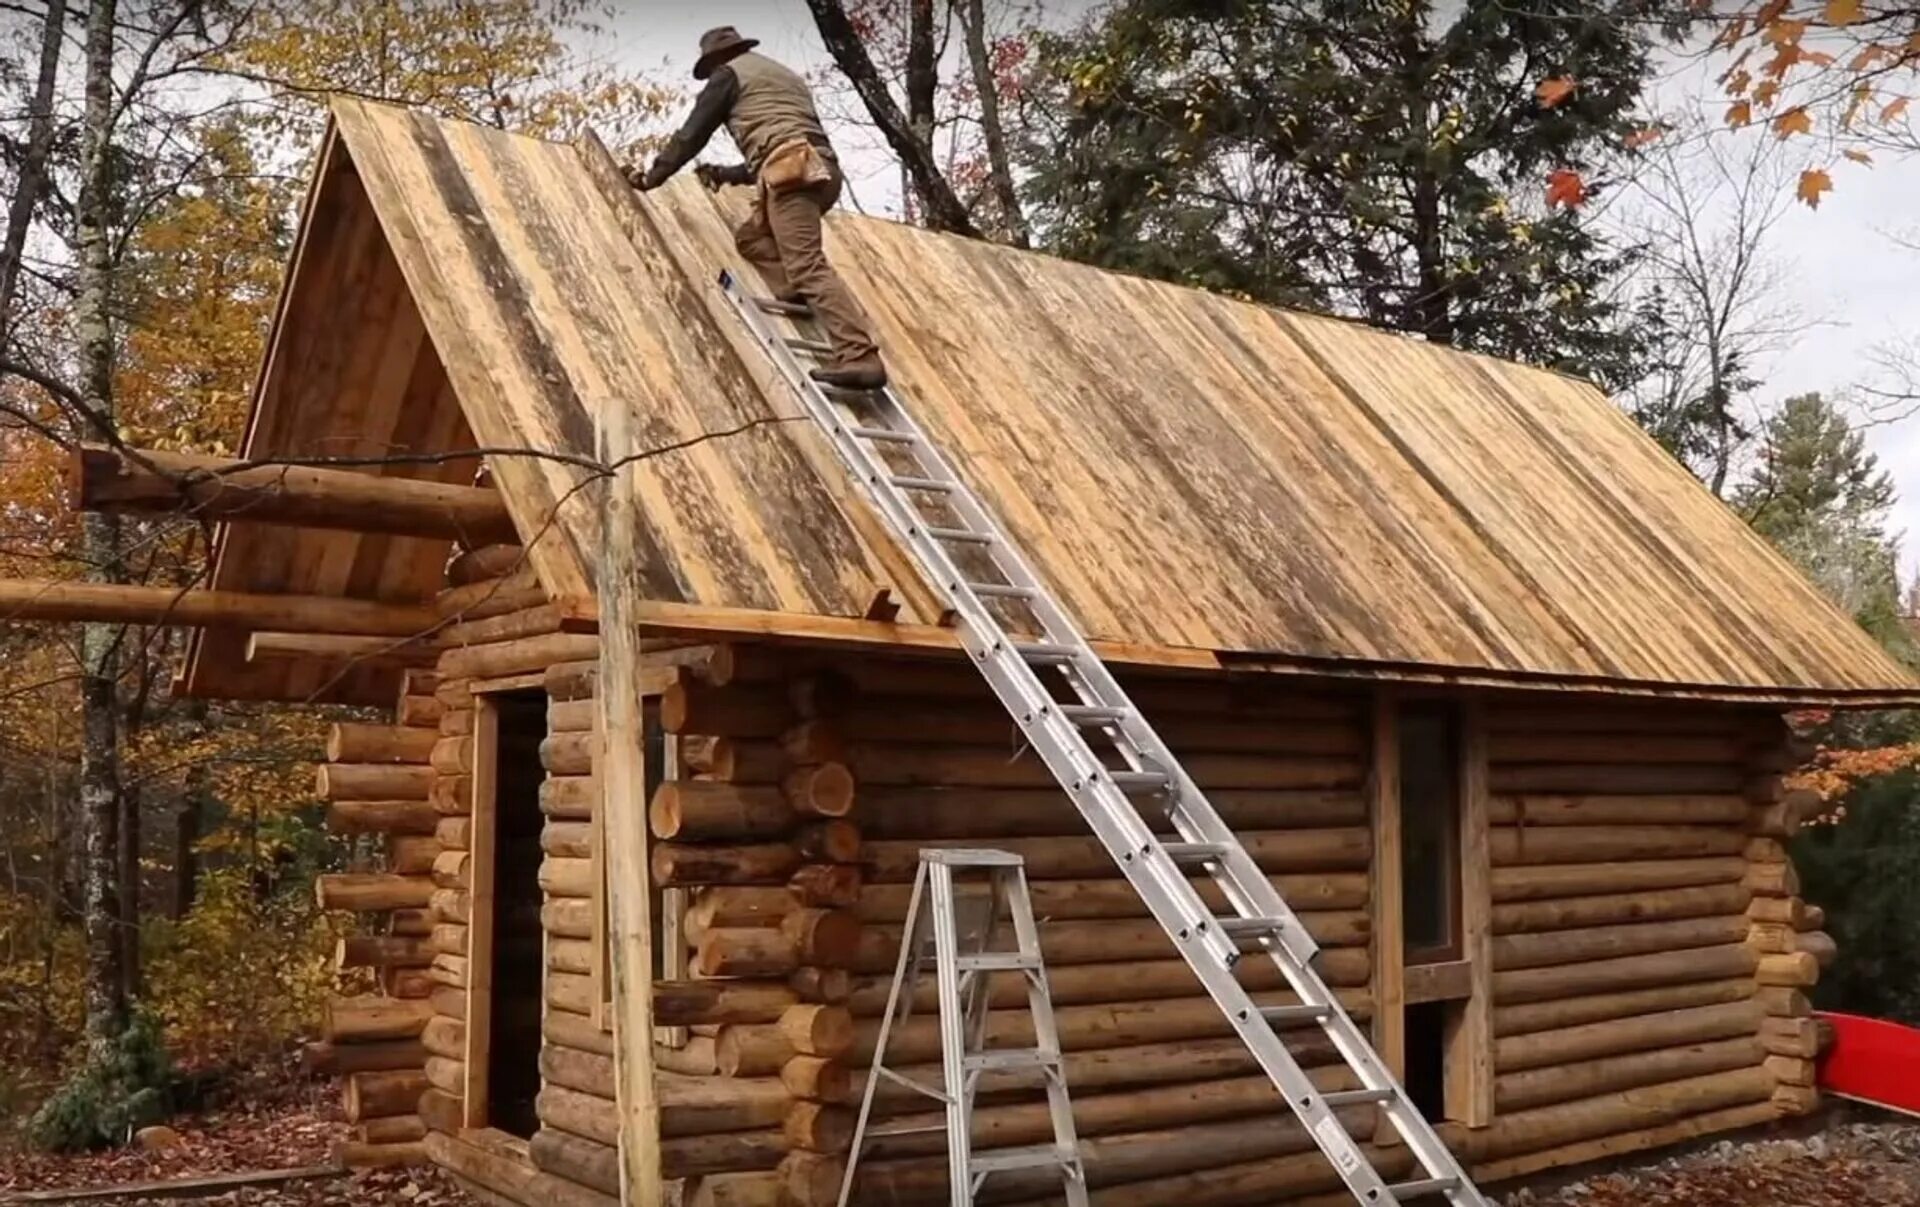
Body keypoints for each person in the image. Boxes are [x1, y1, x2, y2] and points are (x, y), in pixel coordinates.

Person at [630, 27, 888, 391]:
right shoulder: (781, 77)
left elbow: (692, 134)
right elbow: (782, 140)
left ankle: (860, 356)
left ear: (717, 58)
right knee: (752, 238)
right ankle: (797, 289)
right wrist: (726, 174)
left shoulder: (728, 76)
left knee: (807, 263)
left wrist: (653, 176)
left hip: (793, 176)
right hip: (820, 171)